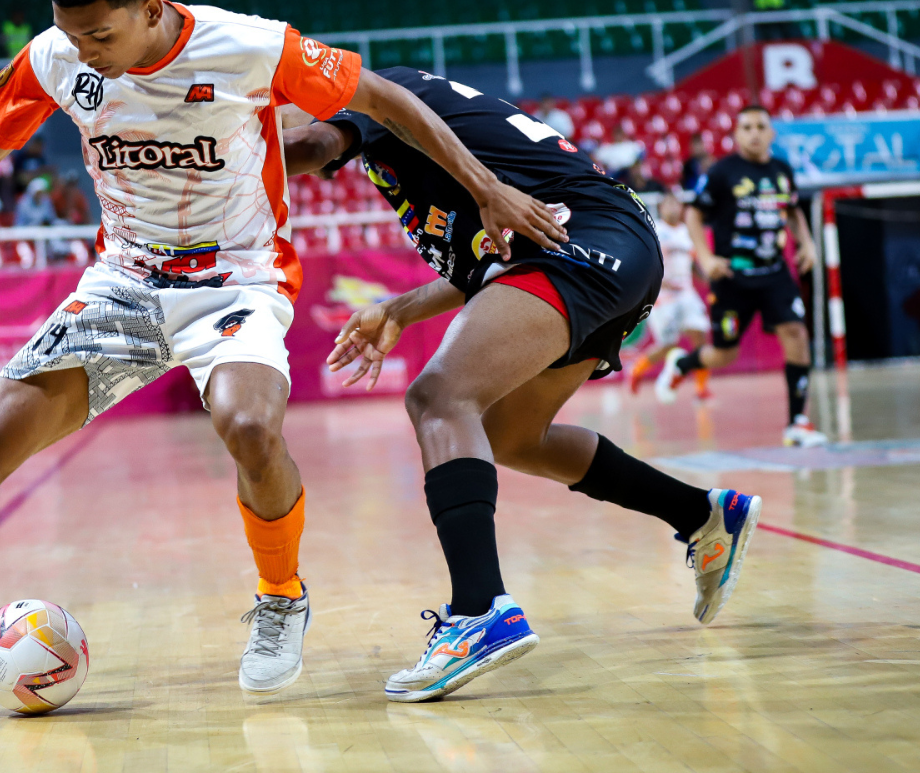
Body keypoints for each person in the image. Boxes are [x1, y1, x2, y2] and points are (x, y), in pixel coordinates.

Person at [0, 0, 549, 717]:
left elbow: (386, 99)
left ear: (151, 9)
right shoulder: (58, 57)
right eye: (69, 33)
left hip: (237, 282)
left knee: (251, 428)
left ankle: (280, 597)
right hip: (122, 284)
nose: (83, 50)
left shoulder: (247, 46)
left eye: (99, 33)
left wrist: (483, 190)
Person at [285, 67, 763, 703]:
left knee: (437, 396)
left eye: (271, 115)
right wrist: (399, 310)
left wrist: (217, 158)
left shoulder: (367, 94)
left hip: (585, 237)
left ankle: (479, 610)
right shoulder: (396, 149)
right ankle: (702, 514)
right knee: (512, 437)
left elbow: (312, 147)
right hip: (595, 244)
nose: (276, 129)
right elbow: (480, 270)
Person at [656, 106, 826, 447]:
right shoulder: (722, 172)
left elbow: (792, 211)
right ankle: (682, 363)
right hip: (733, 277)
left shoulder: (782, 171)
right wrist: (704, 257)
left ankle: (797, 423)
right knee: (724, 354)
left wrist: (806, 243)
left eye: (761, 126)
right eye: (746, 127)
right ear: (736, 134)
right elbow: (693, 215)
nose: (754, 133)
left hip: (775, 273)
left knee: (796, 334)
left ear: (771, 133)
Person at [628, 191, 712, 400]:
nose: (673, 208)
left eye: (677, 204)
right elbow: (644, 261)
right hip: (664, 296)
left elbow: (693, 264)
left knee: (700, 338)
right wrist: (656, 280)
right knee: (668, 345)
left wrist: (708, 278)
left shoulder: (687, 232)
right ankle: (636, 369)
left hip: (686, 293)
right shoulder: (655, 230)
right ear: (661, 208)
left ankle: (701, 388)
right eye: (668, 204)